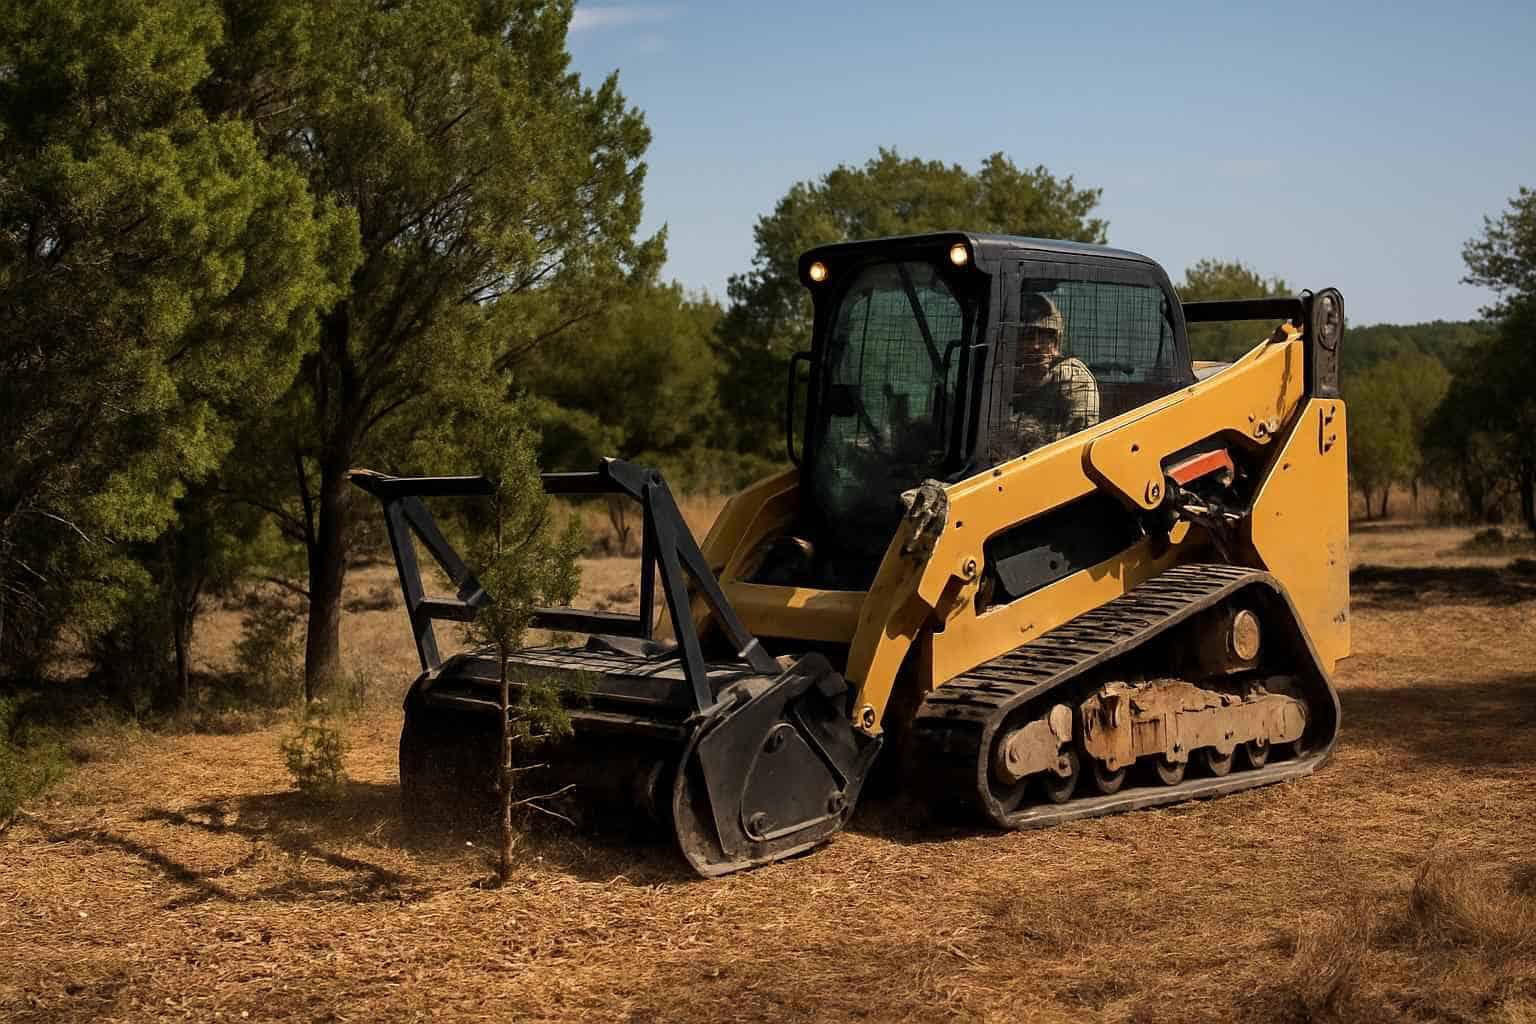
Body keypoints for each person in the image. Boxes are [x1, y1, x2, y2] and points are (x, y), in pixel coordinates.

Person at [997, 292, 1100, 457]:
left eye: (1046, 336)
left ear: (1056, 342)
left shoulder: (1072, 379)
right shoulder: (1001, 375)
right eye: (1028, 336)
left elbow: (1077, 446)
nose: (1036, 345)